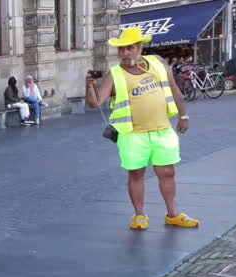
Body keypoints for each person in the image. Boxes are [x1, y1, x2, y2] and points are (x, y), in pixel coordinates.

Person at [85, 27, 198, 231]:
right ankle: (139, 215)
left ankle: (173, 215)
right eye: (121, 49)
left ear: (140, 48)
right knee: (136, 174)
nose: (124, 53)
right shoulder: (114, 74)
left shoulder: (158, 62)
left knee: (168, 173)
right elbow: (95, 103)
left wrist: (184, 116)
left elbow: (174, 89)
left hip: (162, 130)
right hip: (133, 134)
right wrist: (89, 86)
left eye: (129, 48)